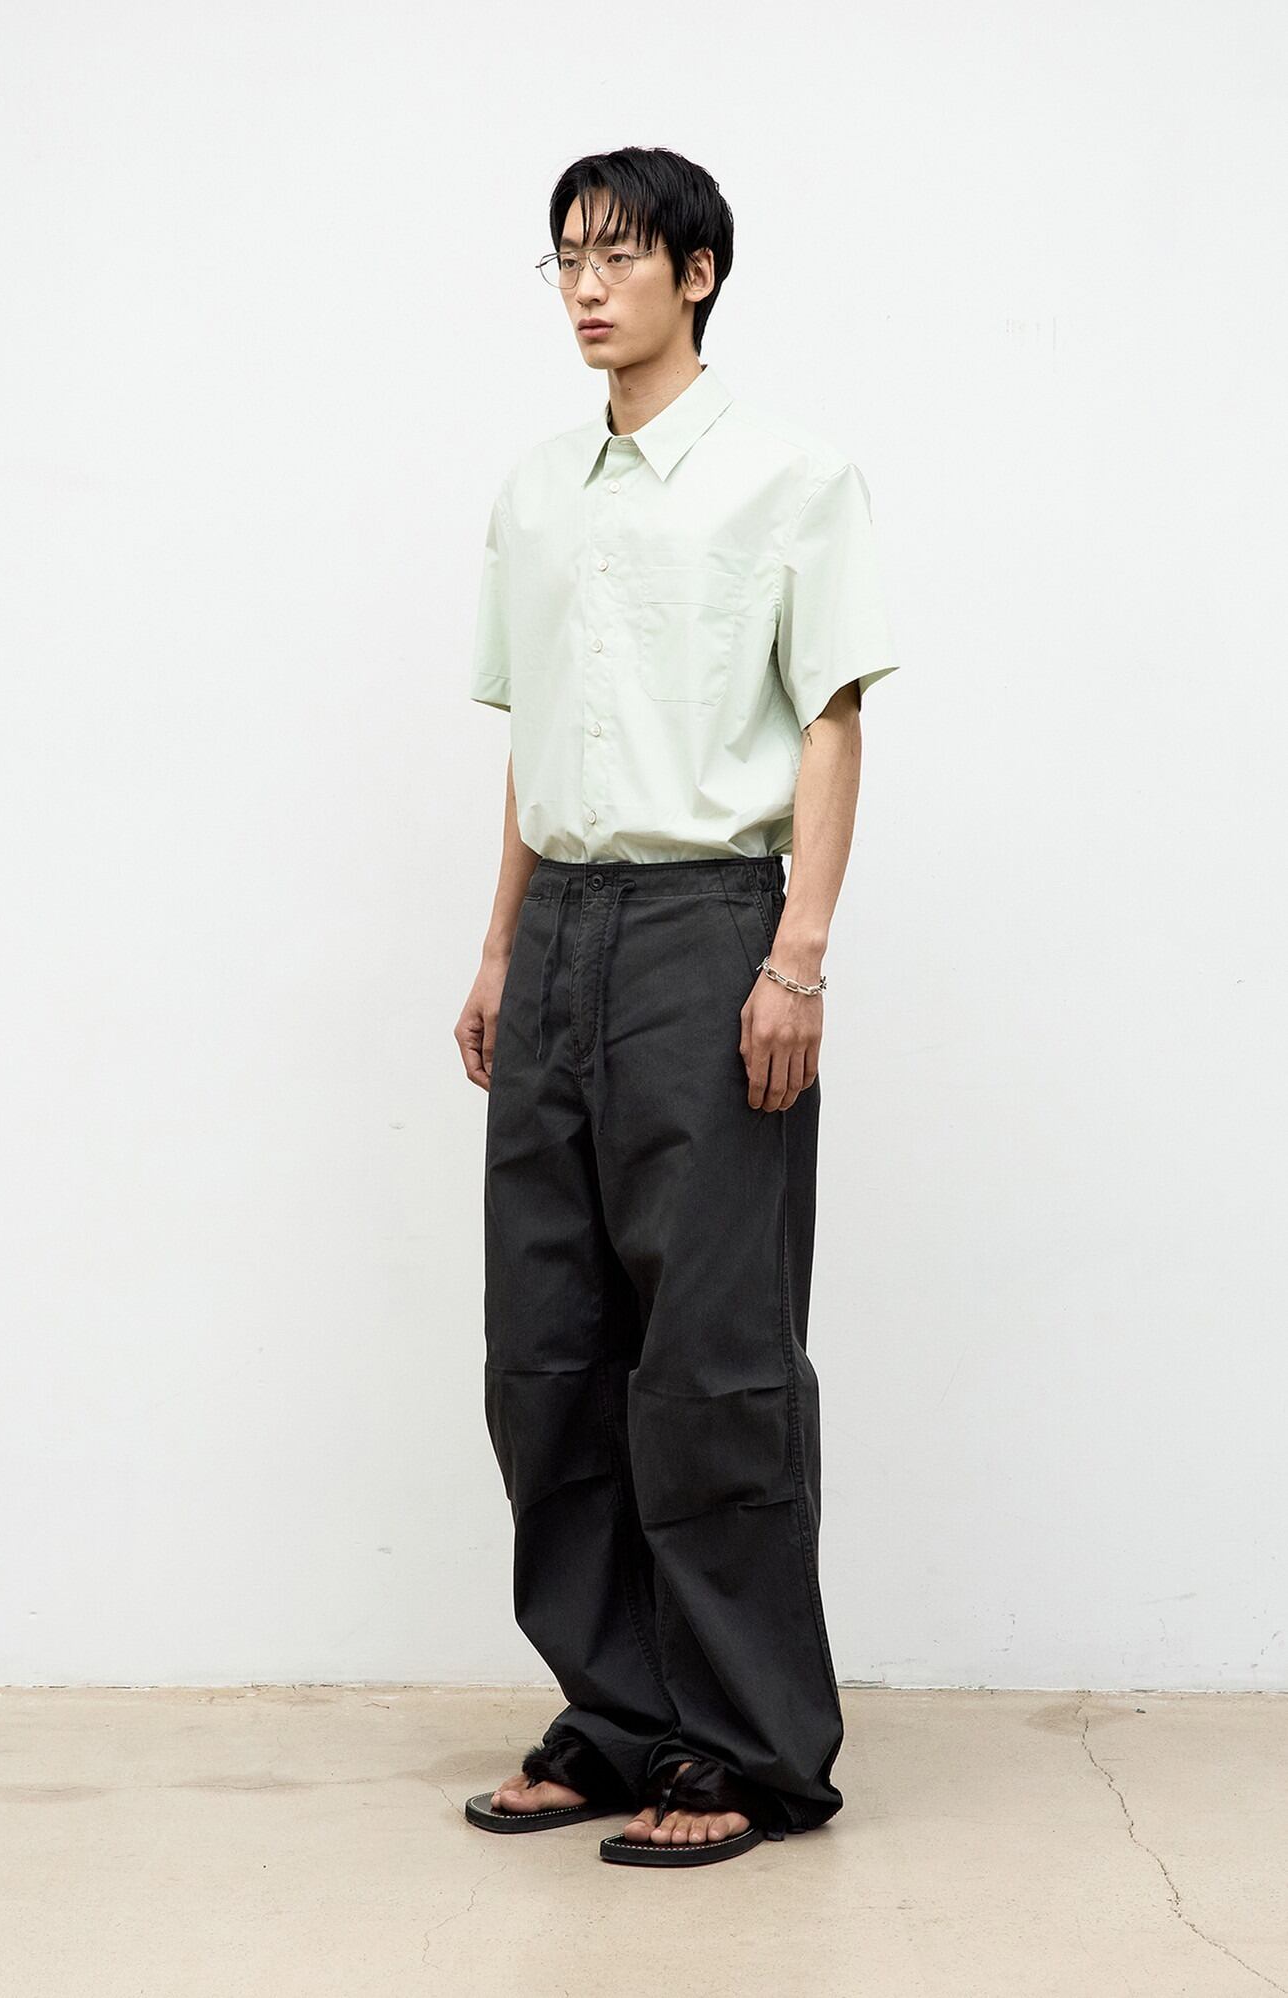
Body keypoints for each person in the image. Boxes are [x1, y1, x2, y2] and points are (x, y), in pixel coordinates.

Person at [454, 145, 900, 1869]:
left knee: (712, 1359)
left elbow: (833, 719)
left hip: (710, 927)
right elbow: (533, 740)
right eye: (565, 257)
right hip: (561, 932)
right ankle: (620, 1713)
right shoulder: (536, 490)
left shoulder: (791, 477)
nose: (586, 286)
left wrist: (799, 953)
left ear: (696, 271)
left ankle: (750, 1747)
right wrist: (500, 948)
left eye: (619, 255)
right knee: (547, 1354)